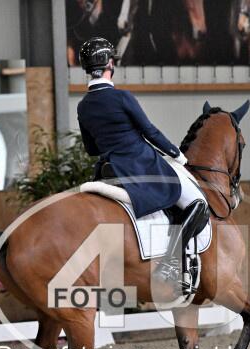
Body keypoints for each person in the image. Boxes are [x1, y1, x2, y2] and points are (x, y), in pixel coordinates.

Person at [77, 37, 209, 291]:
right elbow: (150, 131)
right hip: (141, 165)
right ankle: (172, 263)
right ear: (110, 64)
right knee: (198, 204)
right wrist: (178, 155)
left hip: (108, 168)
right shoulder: (121, 97)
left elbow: (91, 149)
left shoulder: (84, 106)